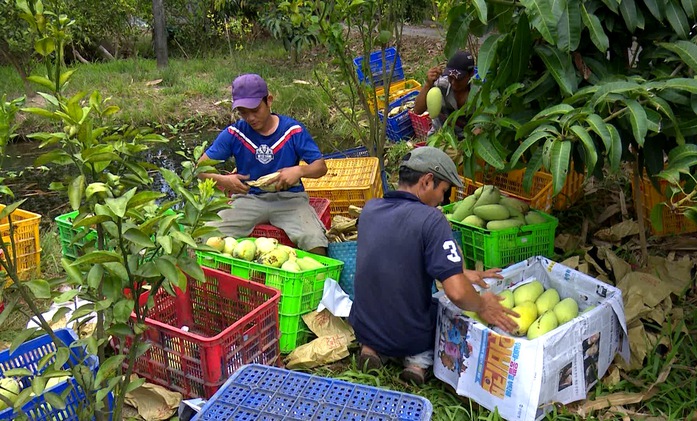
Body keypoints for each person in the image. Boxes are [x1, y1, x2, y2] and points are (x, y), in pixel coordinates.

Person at [349, 146, 518, 385]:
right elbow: (457, 293)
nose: (442, 200)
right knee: (441, 310)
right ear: (427, 181)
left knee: (383, 302)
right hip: (408, 335)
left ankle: (370, 350)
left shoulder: (370, 209)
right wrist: (482, 305)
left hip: (365, 326)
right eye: (444, 191)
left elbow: (397, 258)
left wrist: (458, 272)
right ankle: (417, 364)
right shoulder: (432, 219)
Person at [198, 73, 329, 255]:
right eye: (243, 112)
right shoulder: (235, 133)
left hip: (289, 200)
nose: (250, 117)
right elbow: (200, 168)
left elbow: (321, 167)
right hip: (248, 199)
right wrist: (224, 180)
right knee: (206, 235)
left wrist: (298, 171)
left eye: (255, 110)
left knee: (314, 239)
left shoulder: (292, 131)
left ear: (269, 101)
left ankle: (319, 281)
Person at [413, 50, 477, 140]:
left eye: (458, 79)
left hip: (467, 141)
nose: (453, 83)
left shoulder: (478, 94)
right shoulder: (440, 85)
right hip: (440, 137)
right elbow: (417, 110)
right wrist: (428, 84)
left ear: (471, 74)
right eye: (450, 77)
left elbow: (481, 127)